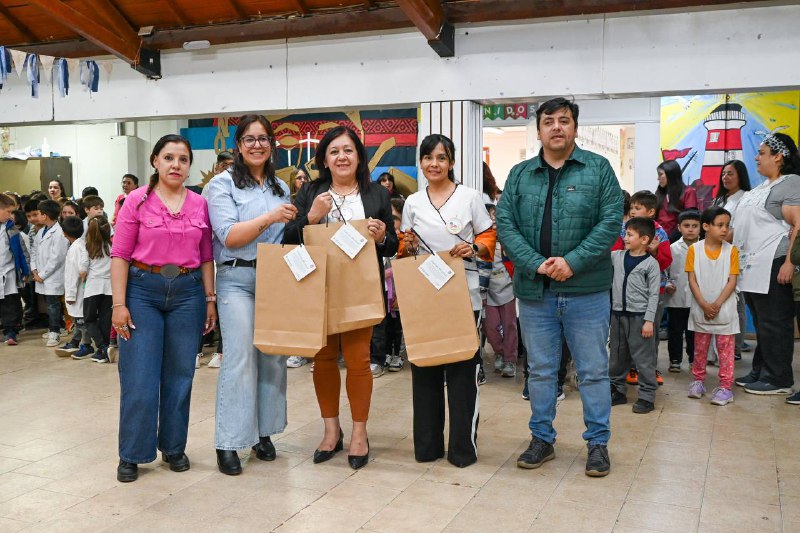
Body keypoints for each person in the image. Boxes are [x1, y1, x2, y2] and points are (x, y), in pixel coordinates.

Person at [496, 97, 622, 478]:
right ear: (538, 130)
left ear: (575, 128)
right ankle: (541, 439)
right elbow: (506, 225)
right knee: (540, 370)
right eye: (548, 121)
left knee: (594, 371)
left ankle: (598, 444)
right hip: (536, 292)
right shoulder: (519, 174)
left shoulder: (598, 169)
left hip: (587, 291)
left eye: (563, 121)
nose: (556, 127)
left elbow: (611, 221)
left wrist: (573, 262)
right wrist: (536, 263)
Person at [284, 126, 398, 470]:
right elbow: (288, 238)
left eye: (348, 150)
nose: (342, 157)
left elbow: (392, 244)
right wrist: (313, 216)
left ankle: (360, 433)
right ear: (325, 159)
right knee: (323, 360)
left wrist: (381, 238)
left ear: (358, 156)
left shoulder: (375, 193)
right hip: (319, 286)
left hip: (360, 288)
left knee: (359, 361)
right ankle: (331, 431)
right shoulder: (312, 192)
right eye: (334, 152)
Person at [111, 134, 216, 483]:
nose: (176, 165)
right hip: (142, 292)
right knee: (140, 376)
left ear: (189, 166)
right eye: (168, 157)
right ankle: (133, 453)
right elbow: (120, 256)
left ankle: (174, 447)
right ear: (155, 161)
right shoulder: (136, 202)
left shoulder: (199, 204)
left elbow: (205, 257)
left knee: (180, 375)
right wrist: (119, 304)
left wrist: (209, 298)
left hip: (188, 294)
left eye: (183, 159)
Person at [205, 115, 296, 476]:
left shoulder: (279, 187)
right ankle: (228, 441)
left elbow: (287, 236)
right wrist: (270, 218)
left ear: (271, 144)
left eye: (263, 138)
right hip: (236, 278)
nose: (257, 145)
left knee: (273, 357)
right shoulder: (221, 185)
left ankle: (263, 433)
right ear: (239, 145)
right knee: (240, 358)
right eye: (249, 139)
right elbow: (228, 236)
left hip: (274, 279)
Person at [400, 133, 496, 467]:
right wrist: (407, 245)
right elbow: (404, 243)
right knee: (424, 370)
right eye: (428, 158)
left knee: (461, 374)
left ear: (451, 162)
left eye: (441, 158)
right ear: (421, 162)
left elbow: (488, 234)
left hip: (463, 295)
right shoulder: (413, 202)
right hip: (424, 297)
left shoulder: (470, 197)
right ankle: (426, 447)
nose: (434, 164)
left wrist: (475, 247)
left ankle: (461, 449)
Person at [733, 133, 800, 395]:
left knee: (776, 322)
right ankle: (760, 370)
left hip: (775, 261)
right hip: (752, 264)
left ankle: (779, 378)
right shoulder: (759, 188)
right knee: (762, 321)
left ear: (778, 156)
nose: (756, 157)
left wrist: (789, 262)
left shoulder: (791, 183)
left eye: (761, 153)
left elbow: (797, 224)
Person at [612, 191, 672, 386]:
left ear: (651, 212)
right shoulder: (624, 230)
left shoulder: (660, 233)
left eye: (638, 208)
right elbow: (618, 256)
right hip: (627, 294)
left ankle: (650, 369)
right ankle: (629, 368)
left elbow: (666, 261)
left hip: (655, 292)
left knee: (649, 333)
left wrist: (654, 252)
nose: (633, 212)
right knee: (626, 337)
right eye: (631, 209)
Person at [686, 206, 739, 406]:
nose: (725, 229)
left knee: (725, 351)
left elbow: (732, 281)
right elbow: (692, 280)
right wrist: (703, 304)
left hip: (724, 308)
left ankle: (725, 387)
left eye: (727, 225)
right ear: (706, 226)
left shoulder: (732, 251)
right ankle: (698, 381)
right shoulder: (694, 250)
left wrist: (715, 304)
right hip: (701, 307)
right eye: (720, 225)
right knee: (700, 349)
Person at [609, 217, 661, 413]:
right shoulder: (617, 256)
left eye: (630, 234)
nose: (625, 237)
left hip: (640, 317)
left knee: (643, 358)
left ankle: (647, 396)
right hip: (617, 314)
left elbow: (654, 295)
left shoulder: (651, 264)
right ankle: (617, 390)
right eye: (625, 233)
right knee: (617, 355)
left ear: (645, 239)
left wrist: (649, 321)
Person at [712, 160, 752, 359]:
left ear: (740, 176)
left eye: (730, 174)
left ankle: (735, 347)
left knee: (736, 302)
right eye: (723, 174)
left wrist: (721, 235)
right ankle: (718, 348)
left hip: (736, 254)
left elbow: (738, 229)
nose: (725, 177)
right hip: (715, 254)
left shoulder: (746, 198)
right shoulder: (719, 199)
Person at [368, 197, 406, 376]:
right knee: (377, 325)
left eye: (394, 218)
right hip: (376, 289)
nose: (389, 221)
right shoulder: (371, 236)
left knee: (395, 326)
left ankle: (395, 355)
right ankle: (378, 357)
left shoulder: (404, 241)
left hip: (396, 292)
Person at [483, 204, 517, 378]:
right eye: (489, 216)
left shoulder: (507, 238)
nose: (493, 220)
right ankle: (499, 352)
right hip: (489, 289)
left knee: (510, 325)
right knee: (490, 326)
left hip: (507, 287)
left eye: (495, 216)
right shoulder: (480, 240)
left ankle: (510, 360)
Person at [665, 210, 700, 372]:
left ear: (701, 228)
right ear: (679, 227)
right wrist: (667, 284)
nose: (691, 229)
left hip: (697, 298)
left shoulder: (705, 248)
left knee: (694, 331)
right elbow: (665, 271)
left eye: (695, 226)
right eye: (687, 226)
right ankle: (675, 360)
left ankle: (694, 359)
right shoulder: (672, 248)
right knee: (675, 330)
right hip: (676, 297)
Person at [31, 199, 69, 347]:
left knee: (53, 304)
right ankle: (58, 326)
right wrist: (34, 270)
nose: (37, 216)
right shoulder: (41, 231)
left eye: (39, 213)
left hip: (52, 275)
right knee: (49, 303)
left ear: (45, 215)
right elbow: (34, 251)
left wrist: (42, 274)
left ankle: (55, 332)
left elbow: (57, 258)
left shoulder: (59, 233)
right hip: (40, 274)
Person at [57, 216, 91, 358]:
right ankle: (76, 341)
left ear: (64, 233)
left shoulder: (75, 248)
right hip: (82, 290)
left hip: (78, 292)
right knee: (79, 320)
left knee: (82, 321)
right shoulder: (81, 244)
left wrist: (70, 295)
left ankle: (86, 345)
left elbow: (73, 275)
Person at [81, 216, 113, 363]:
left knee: (89, 319)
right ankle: (107, 347)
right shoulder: (112, 247)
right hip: (110, 288)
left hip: (93, 287)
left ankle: (102, 347)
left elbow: (82, 271)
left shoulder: (87, 247)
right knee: (106, 320)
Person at [0, 193, 29, 346]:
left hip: (8, 271)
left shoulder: (11, 229)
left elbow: (22, 252)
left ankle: (11, 331)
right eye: (8, 212)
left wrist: (25, 271)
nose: (12, 216)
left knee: (10, 303)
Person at [655, 160, 698, 241]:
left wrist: (669, 240)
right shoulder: (659, 194)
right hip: (658, 239)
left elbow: (689, 219)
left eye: (660, 174)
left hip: (678, 241)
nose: (658, 178)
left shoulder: (688, 192)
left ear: (671, 175)